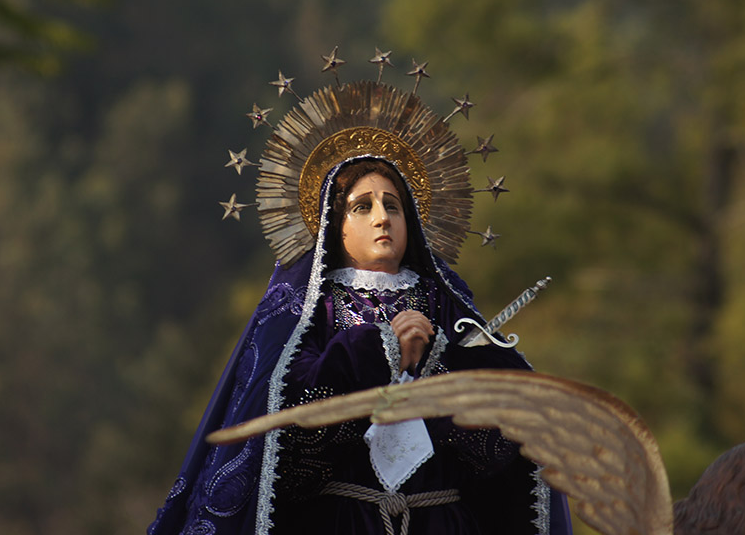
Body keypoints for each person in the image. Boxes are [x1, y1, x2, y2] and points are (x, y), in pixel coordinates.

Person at [148, 81, 572, 535]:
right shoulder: (306, 310)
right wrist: (374, 355)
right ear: (337, 225)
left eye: (393, 206)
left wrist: (442, 374)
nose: (381, 217)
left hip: (439, 522)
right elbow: (284, 444)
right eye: (362, 207)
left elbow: (500, 445)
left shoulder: (446, 304)